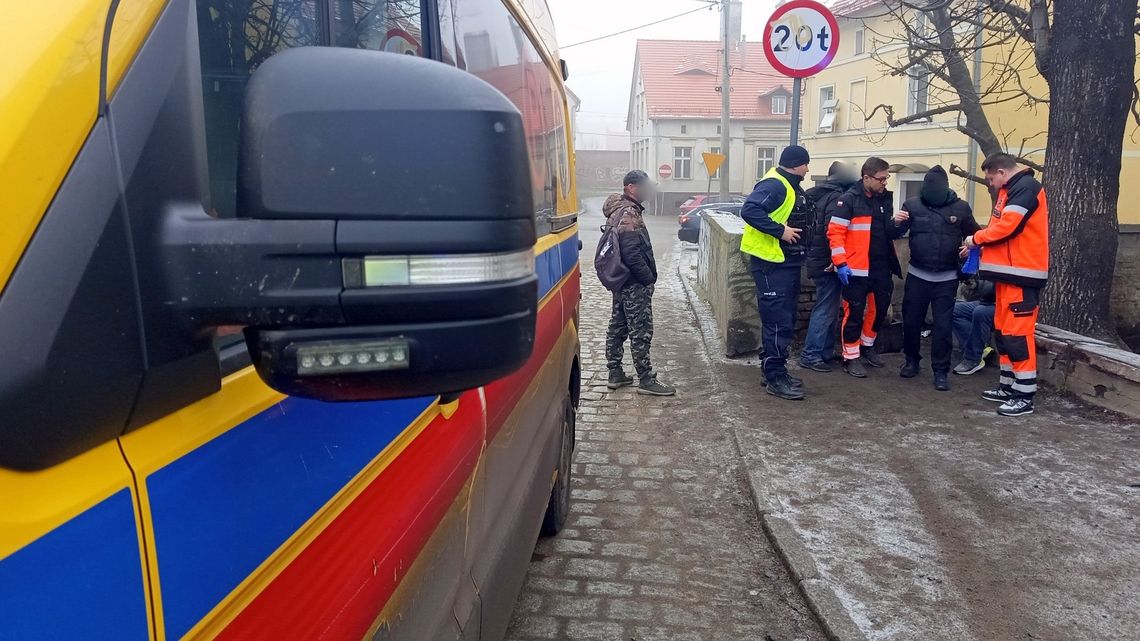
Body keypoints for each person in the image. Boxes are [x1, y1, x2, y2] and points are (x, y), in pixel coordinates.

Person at [965, 153, 1049, 416]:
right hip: (1008, 274)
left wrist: (975, 239)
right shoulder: (1012, 189)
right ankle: (1008, 384)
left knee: (1017, 334)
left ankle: (1024, 395)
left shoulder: (1025, 188)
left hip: (1022, 274)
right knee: (1003, 331)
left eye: (991, 178)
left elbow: (1007, 228)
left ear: (1001, 172)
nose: (990, 183)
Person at [894, 165, 980, 391]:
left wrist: (970, 248)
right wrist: (896, 222)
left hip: (947, 278)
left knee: (943, 327)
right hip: (917, 275)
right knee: (912, 321)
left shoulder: (960, 208)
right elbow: (894, 233)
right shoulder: (912, 205)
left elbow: (976, 235)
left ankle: (941, 371)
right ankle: (911, 361)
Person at [740, 145, 815, 400]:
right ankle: (774, 377)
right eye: (805, 164)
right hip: (771, 263)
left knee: (783, 319)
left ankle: (773, 369)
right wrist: (779, 231)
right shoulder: (776, 184)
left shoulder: (788, 184)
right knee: (777, 322)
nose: (807, 168)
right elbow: (749, 210)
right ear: (796, 164)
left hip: (784, 261)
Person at [827, 157, 903, 378]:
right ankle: (850, 357)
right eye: (881, 179)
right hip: (856, 269)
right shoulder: (848, 200)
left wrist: (898, 224)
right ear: (866, 177)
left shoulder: (883, 200)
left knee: (879, 311)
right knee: (854, 314)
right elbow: (835, 233)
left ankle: (867, 347)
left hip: (881, 267)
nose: (884, 183)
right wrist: (841, 263)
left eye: (886, 178)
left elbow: (886, 232)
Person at [603, 170, 675, 396]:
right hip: (633, 282)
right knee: (641, 330)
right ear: (631, 188)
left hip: (621, 280)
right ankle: (646, 379)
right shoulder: (629, 212)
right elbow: (631, 252)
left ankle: (615, 373)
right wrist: (648, 279)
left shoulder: (617, 209)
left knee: (618, 326)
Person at [800, 162, 859, 372]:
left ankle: (824, 352)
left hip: (816, 258)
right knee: (825, 308)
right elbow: (831, 232)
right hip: (827, 262)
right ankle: (811, 354)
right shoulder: (837, 198)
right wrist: (835, 261)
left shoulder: (818, 194)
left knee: (830, 307)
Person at [952, 278, 996, 375]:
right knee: (952, 310)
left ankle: (973, 359)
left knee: (980, 312)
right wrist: (976, 284)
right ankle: (979, 349)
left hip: (1006, 306)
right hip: (987, 301)